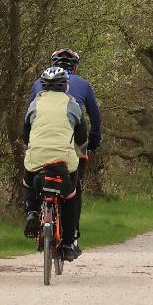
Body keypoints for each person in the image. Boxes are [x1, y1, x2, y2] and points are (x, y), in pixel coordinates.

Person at [27, 47, 102, 253]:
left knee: (31, 175)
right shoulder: (84, 85)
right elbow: (95, 119)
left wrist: (29, 143)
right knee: (74, 188)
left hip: (39, 144)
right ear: (74, 69)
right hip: (72, 144)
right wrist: (93, 143)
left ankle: (33, 210)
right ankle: (71, 238)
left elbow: (29, 118)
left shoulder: (37, 86)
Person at [22, 65, 88, 259]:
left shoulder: (35, 104)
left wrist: (32, 148)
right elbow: (82, 140)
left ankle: (32, 212)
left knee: (28, 182)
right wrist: (82, 155)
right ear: (65, 86)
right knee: (71, 195)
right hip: (63, 160)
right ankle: (68, 244)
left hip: (36, 157)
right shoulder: (73, 104)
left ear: (43, 86)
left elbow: (26, 136)